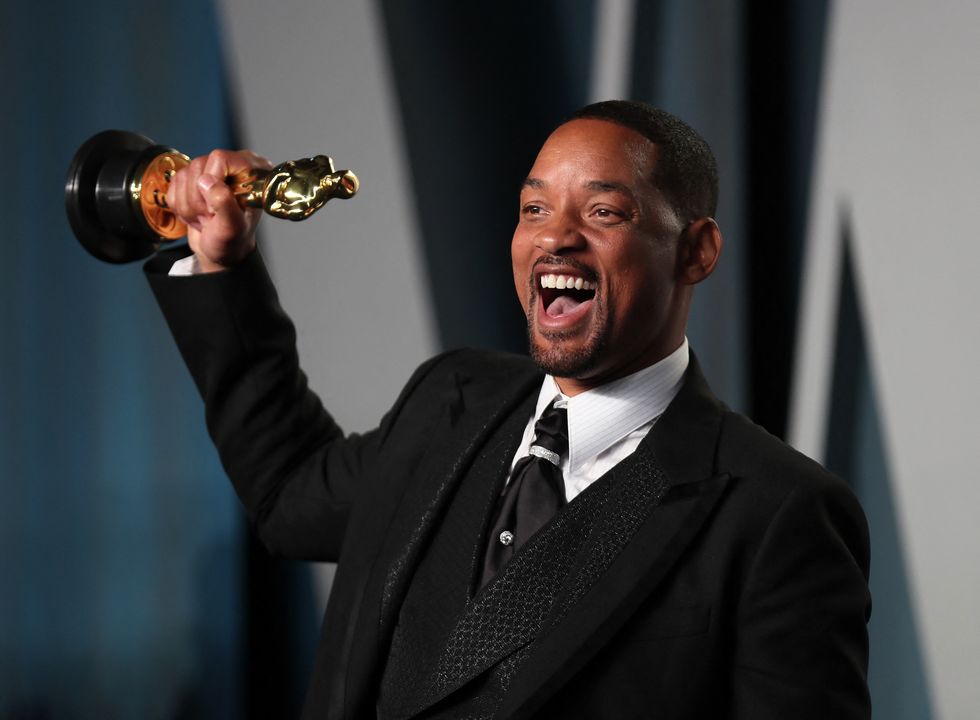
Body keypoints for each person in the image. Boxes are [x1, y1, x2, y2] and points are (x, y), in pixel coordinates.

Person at [146, 101, 871, 719]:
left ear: (697, 251)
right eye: (533, 208)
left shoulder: (779, 513)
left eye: (603, 211)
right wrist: (223, 264)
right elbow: (291, 492)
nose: (555, 236)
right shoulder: (447, 403)